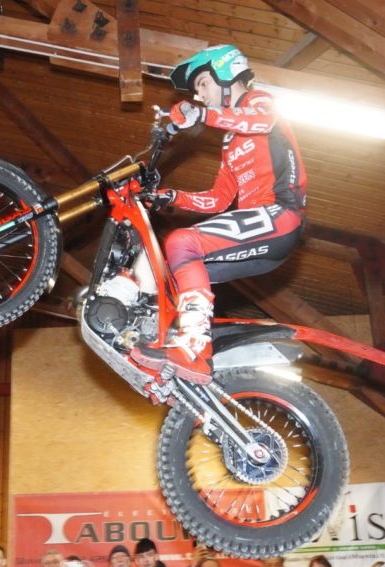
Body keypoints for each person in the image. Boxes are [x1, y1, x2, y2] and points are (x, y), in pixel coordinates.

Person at [131, 44, 306, 384]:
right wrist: (171, 197)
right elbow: (218, 200)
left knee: (182, 241)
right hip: (260, 227)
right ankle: (169, 350)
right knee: (170, 271)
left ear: (226, 73)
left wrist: (202, 116)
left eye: (202, 84)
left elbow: (261, 121)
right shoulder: (230, 141)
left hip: (279, 213)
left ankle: (194, 347)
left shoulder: (259, 102)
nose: (200, 96)